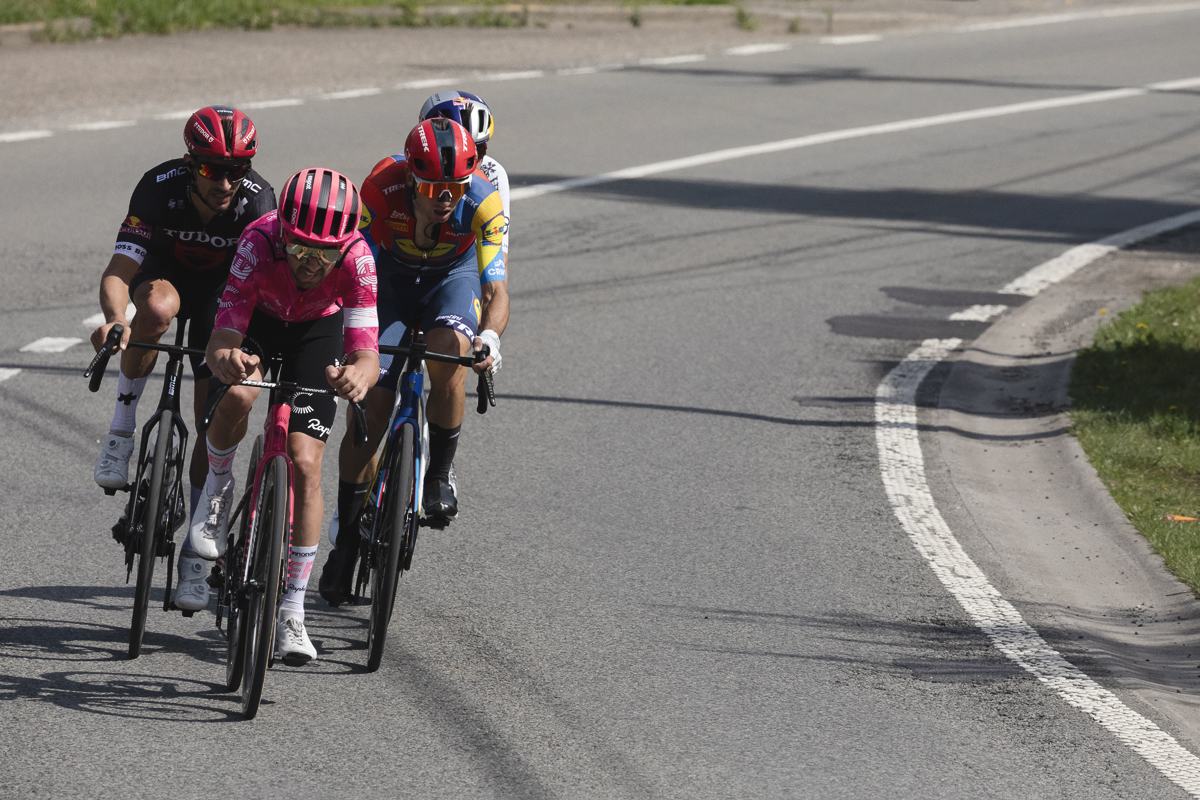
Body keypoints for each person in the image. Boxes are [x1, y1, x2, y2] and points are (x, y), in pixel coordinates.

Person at [88, 105, 276, 613]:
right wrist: (113, 319)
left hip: (224, 296)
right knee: (153, 309)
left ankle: (197, 554)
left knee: (209, 419)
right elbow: (120, 268)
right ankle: (122, 428)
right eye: (214, 169)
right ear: (192, 163)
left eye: (238, 169)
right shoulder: (158, 186)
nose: (226, 182)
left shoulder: (258, 202)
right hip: (165, 274)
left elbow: (259, 287)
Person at [190, 168, 379, 663]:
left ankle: (292, 609)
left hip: (317, 332)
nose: (311, 264)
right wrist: (229, 361)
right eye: (299, 250)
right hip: (260, 321)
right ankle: (217, 488)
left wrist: (358, 378)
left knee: (306, 460)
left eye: (324, 254)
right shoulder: (256, 241)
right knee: (238, 395)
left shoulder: (358, 259)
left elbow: (367, 353)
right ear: (283, 235)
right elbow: (221, 336)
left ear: (344, 246)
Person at [317, 117, 508, 606]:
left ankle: (439, 472)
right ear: (409, 180)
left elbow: (495, 289)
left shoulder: (484, 203)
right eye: (432, 186)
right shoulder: (380, 189)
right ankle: (345, 544)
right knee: (370, 408)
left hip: (453, 282)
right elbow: (345, 259)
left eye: (455, 186)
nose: (446, 197)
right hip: (389, 284)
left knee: (450, 356)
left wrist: (489, 336)